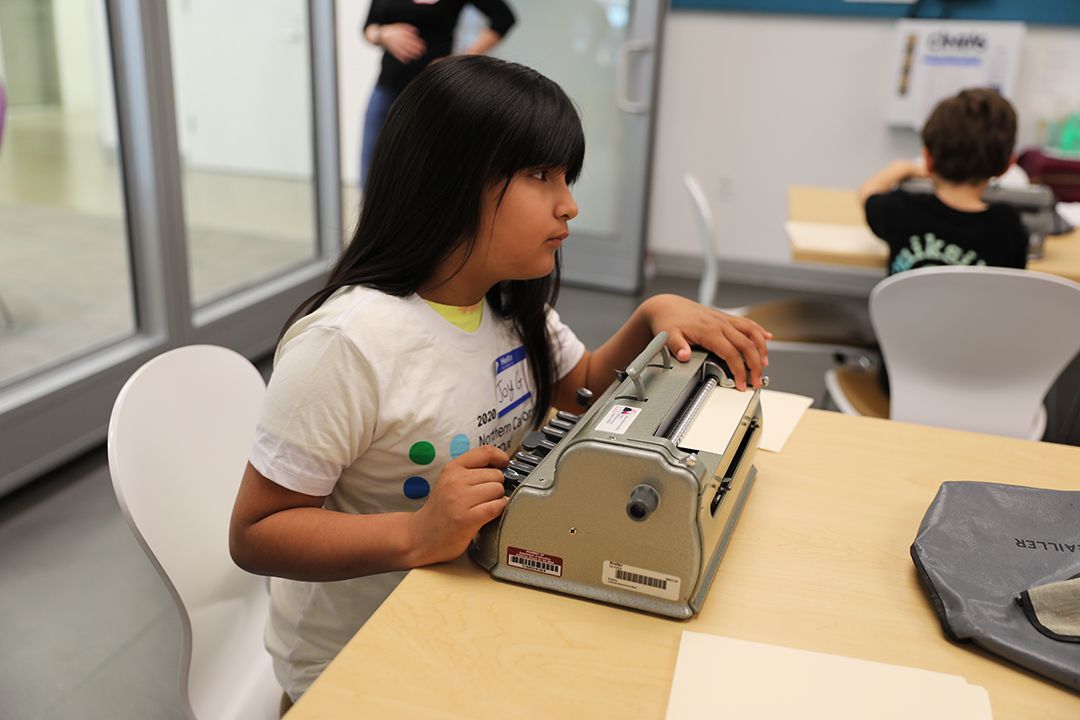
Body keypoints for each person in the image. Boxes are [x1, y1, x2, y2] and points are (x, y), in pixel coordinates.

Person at [229, 55, 771, 705]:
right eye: (541, 175)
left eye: (567, 176)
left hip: (477, 597)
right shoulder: (347, 343)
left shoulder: (509, 305)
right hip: (358, 660)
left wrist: (651, 320)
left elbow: (584, 389)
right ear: (450, 181)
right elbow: (257, 532)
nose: (569, 204)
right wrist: (415, 533)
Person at [858, 87, 1028, 277]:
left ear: (928, 159)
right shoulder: (1008, 229)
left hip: (906, 308)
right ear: (1007, 165)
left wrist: (903, 167)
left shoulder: (900, 209)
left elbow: (868, 191)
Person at [359, 0, 516, 187]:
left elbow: (504, 18)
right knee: (371, 169)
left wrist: (463, 58)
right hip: (387, 90)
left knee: (425, 170)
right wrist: (382, 34)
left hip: (433, 94)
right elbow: (369, 27)